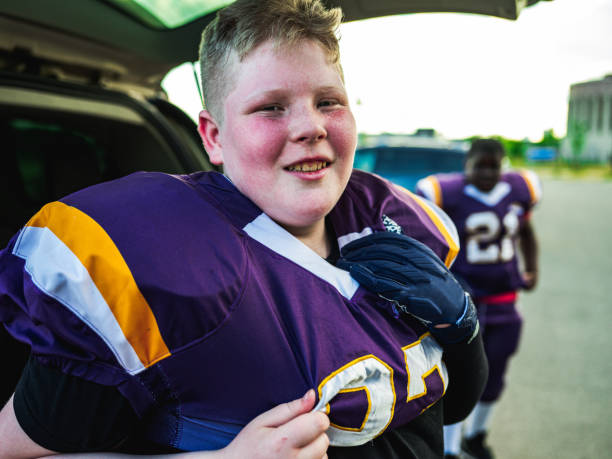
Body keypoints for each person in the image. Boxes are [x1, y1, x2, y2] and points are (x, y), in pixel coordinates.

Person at [0, 0, 487, 457]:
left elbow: (445, 408)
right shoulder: (153, 268)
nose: (310, 126)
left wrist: (463, 334)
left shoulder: (389, 223)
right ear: (213, 136)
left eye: (329, 101)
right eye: (271, 107)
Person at [415, 138, 541, 459]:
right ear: (466, 165)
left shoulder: (517, 191)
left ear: (503, 166)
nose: (486, 172)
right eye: (479, 165)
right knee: (457, 377)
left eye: (493, 166)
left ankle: (478, 435)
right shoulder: (446, 193)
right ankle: (451, 448)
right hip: (465, 302)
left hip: (504, 299)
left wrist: (532, 268)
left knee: (496, 373)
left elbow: (526, 232)